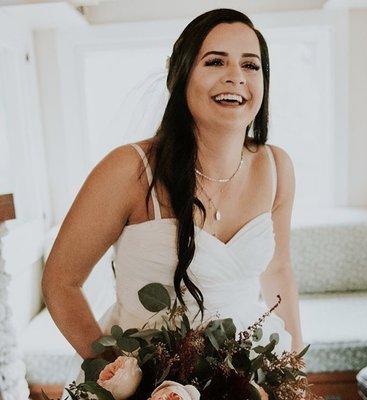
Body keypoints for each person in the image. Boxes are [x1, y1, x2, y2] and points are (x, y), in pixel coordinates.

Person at [41, 8, 304, 397]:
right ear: (180, 76)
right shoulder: (129, 169)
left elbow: (279, 269)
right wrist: (125, 382)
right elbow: (60, 282)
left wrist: (292, 371)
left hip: (246, 383)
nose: (236, 76)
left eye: (252, 65)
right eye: (215, 61)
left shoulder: (277, 166)